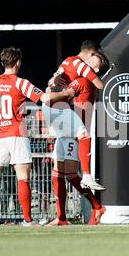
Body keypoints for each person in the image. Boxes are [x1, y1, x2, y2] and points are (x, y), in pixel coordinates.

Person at [0, 46, 75, 227]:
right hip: (17, 134)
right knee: (23, 178)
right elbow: (44, 98)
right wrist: (66, 93)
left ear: (3, 62)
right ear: (18, 62)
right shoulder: (20, 82)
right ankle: (28, 220)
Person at [46, 52, 109, 226]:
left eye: (91, 62)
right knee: (59, 174)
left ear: (94, 69)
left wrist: (43, 96)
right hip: (67, 129)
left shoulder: (83, 81)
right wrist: (53, 83)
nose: (86, 62)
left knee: (71, 175)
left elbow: (65, 94)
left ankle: (96, 207)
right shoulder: (83, 79)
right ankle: (62, 218)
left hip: (74, 132)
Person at [43, 40, 108, 191]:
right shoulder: (81, 65)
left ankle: (63, 215)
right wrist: (95, 86)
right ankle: (87, 176)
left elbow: (51, 81)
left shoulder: (68, 60)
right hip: (56, 105)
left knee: (63, 171)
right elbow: (100, 85)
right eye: (94, 57)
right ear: (91, 54)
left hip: (54, 105)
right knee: (84, 134)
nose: (91, 62)